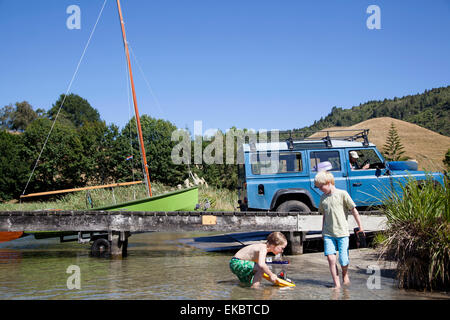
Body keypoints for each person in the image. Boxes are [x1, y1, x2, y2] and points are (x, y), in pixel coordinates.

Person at [314, 170, 364, 289]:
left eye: (321, 187)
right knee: (331, 258)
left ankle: (345, 275)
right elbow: (324, 215)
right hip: (328, 233)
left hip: (342, 232)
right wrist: (322, 230)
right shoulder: (323, 198)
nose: (320, 189)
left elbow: (354, 211)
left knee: (343, 259)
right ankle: (337, 285)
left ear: (329, 182)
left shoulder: (343, 194)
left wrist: (360, 226)